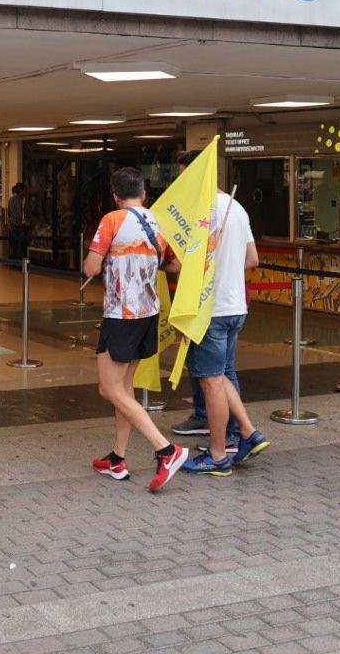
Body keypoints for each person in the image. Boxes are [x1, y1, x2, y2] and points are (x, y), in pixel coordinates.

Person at [84, 167, 189, 492]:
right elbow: (174, 264)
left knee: (109, 388)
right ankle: (118, 457)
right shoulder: (158, 223)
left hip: (121, 315)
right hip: (148, 313)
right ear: (144, 194)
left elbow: (90, 266)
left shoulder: (112, 220)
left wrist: (104, 262)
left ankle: (166, 450)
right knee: (124, 388)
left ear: (115, 196)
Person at [179, 178, 273, 475]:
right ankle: (248, 432)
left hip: (212, 309)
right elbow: (253, 259)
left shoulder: (201, 213)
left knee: (211, 381)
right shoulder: (240, 210)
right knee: (222, 375)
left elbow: (187, 264)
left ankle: (218, 455)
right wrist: (227, 266)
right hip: (236, 307)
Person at [6, 182, 31, 261]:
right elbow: (26, 212)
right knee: (22, 245)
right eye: (24, 189)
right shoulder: (24, 200)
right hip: (22, 225)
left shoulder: (11, 200)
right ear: (21, 190)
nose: (25, 191)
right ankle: (20, 263)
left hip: (13, 225)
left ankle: (13, 262)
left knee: (14, 245)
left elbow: (9, 213)